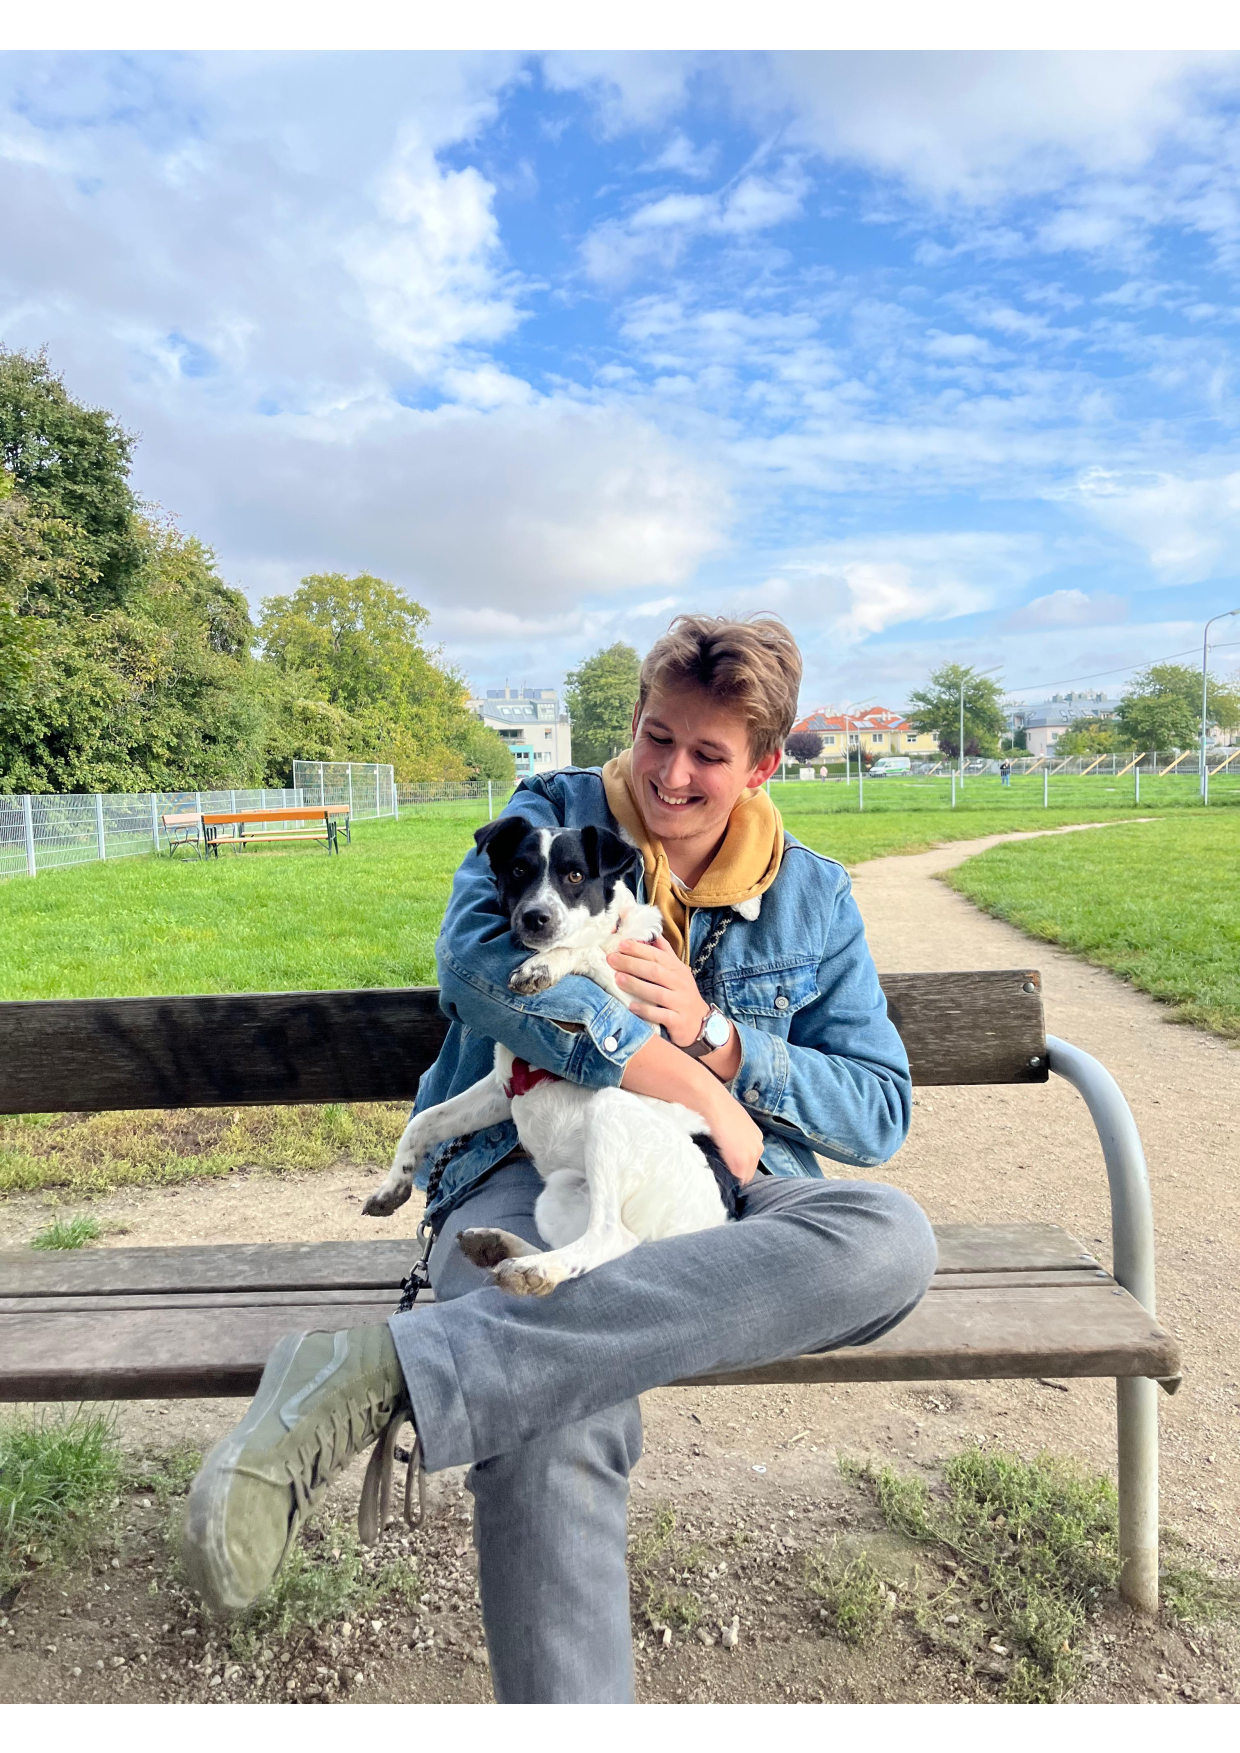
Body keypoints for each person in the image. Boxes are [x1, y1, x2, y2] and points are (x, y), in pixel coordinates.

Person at [181, 614, 937, 1702]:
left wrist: (723, 1041)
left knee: (892, 1239)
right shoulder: (545, 821)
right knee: (552, 1410)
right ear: (631, 722)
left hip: (730, 1191)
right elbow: (475, 968)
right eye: (654, 736)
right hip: (522, 1163)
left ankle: (392, 1370)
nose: (670, 775)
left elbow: (875, 1112)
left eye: (708, 755)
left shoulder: (814, 896)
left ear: (765, 764)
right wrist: (679, 1075)